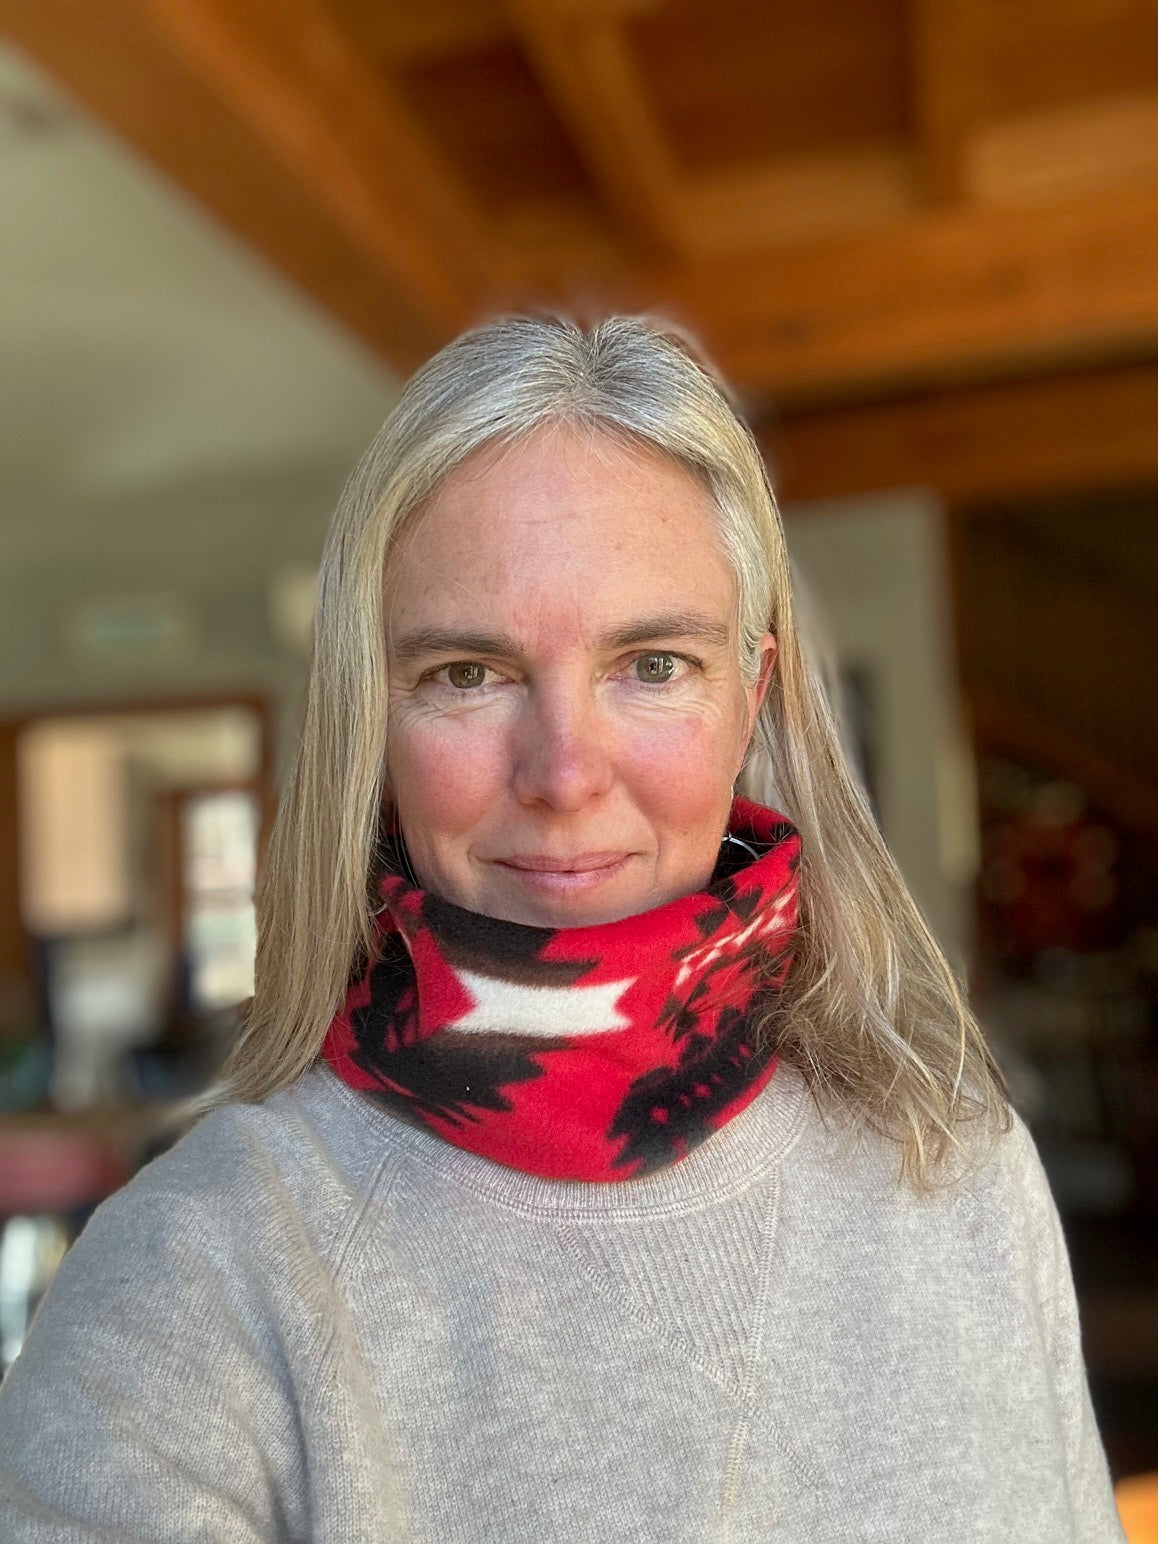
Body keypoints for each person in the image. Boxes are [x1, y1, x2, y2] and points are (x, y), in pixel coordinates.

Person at [0, 316, 1124, 1542]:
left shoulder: (957, 1169)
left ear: (750, 697)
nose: (564, 771)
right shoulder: (196, 1282)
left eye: (650, 662)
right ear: (370, 722)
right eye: (469, 673)